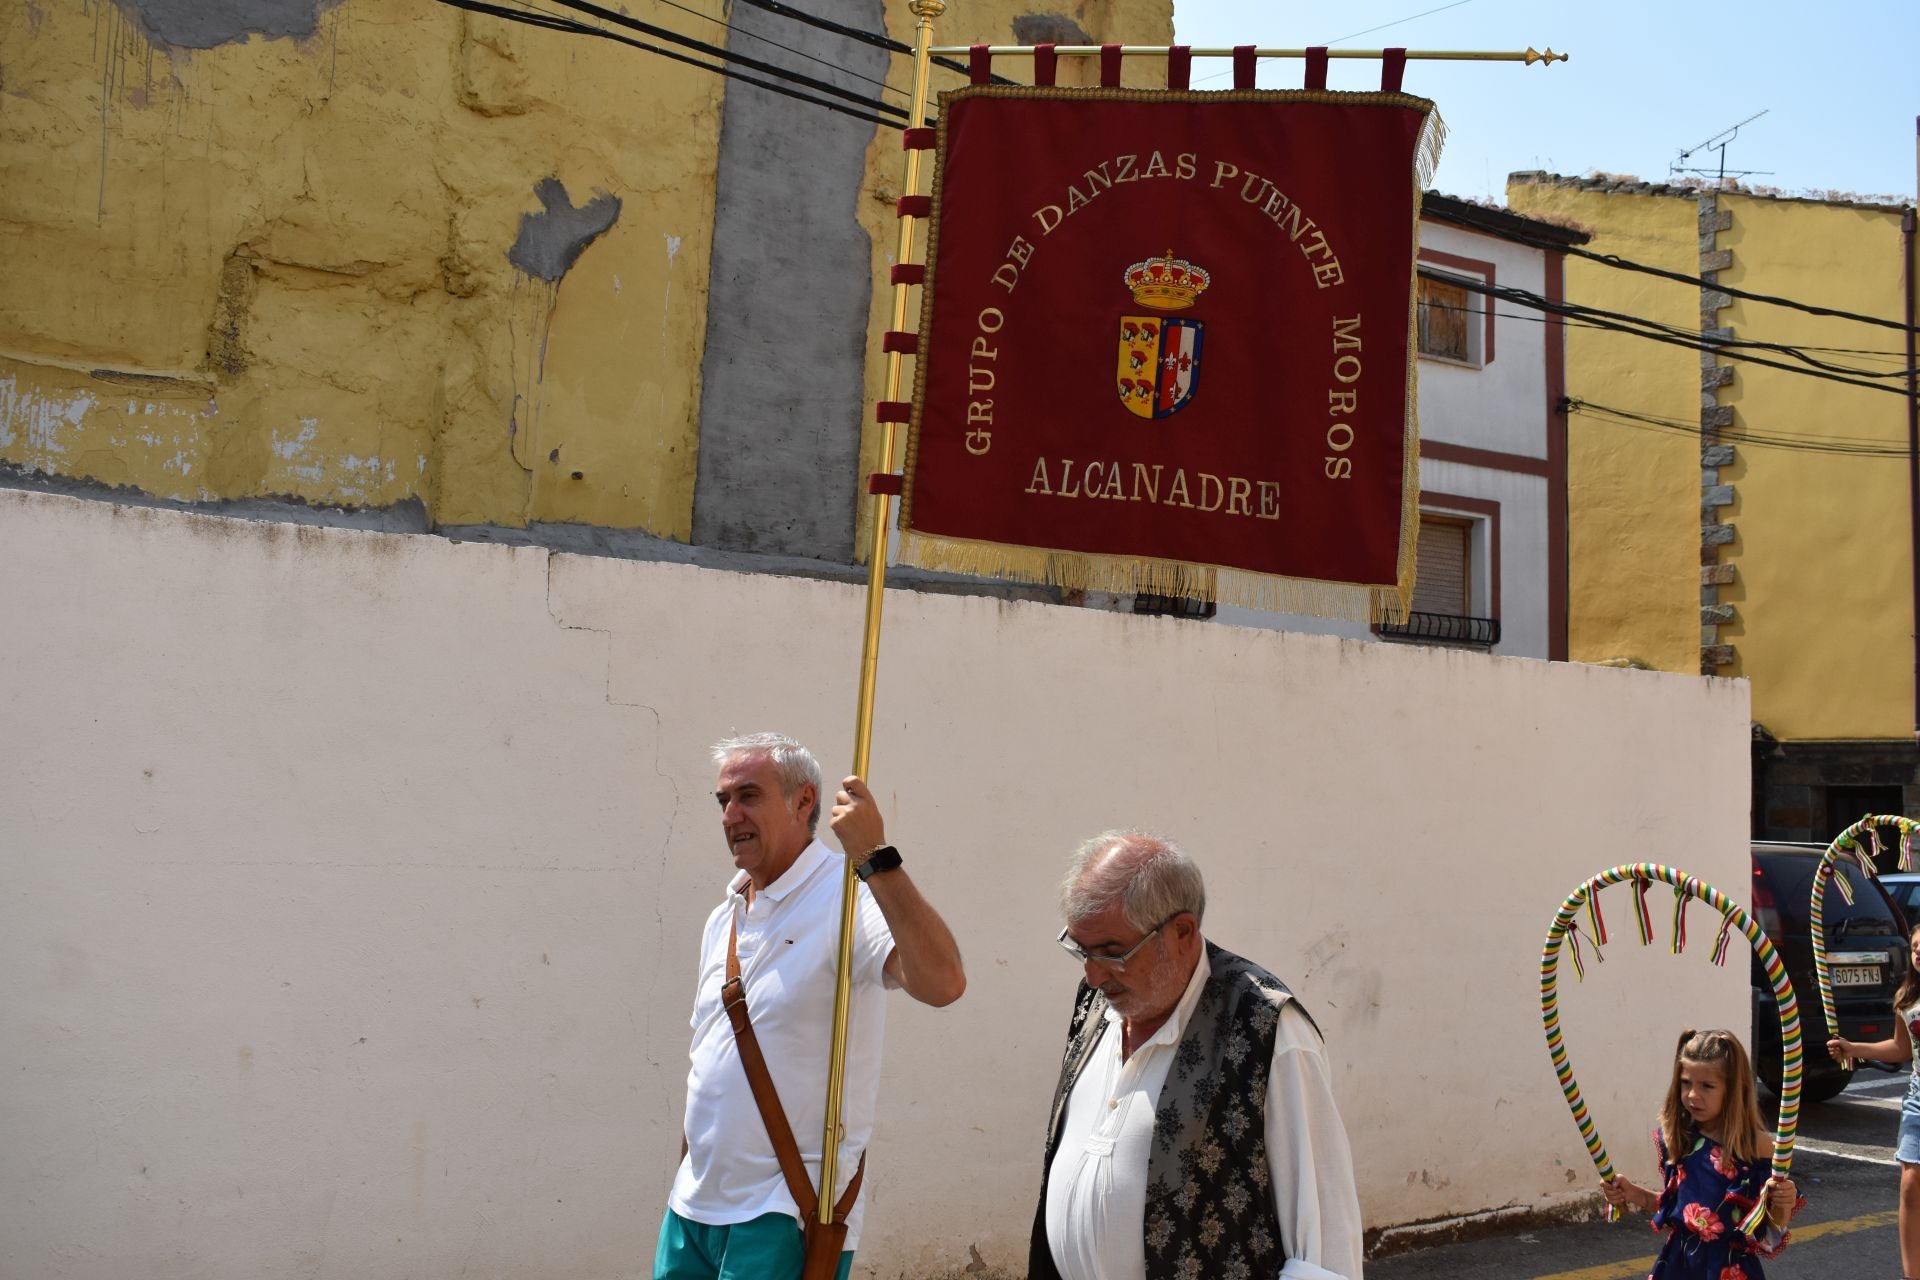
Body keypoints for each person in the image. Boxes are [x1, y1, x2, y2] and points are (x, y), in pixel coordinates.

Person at [655, 733, 966, 1280]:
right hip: (693, 1207)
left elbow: (942, 983)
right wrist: (687, 1174)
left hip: (785, 1212)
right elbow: (709, 1058)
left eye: (748, 796)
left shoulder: (850, 897)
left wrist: (876, 858)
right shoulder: (722, 918)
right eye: (722, 800)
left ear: (804, 802)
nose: (730, 815)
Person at [1029, 829, 1365, 1280]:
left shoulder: (1267, 1029)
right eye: (1080, 951)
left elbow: (1324, 1247)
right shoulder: (1098, 1006)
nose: (1092, 977)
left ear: (1182, 931)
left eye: (1112, 952)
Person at [1600, 1028, 1802, 1279]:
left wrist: (1784, 1201)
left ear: (1733, 1090)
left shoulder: (1753, 1145)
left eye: (1707, 1086)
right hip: (1678, 1266)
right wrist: (1631, 1192)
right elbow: (1678, 1211)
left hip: (1727, 1271)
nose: (1693, 1095)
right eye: (1686, 1083)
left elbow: (1770, 1228)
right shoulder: (1681, 1136)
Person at [1828, 919, 1920, 1280]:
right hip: (1918, 1101)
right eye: (1914, 947)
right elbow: (1900, 1047)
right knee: (1910, 1185)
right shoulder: (1907, 1000)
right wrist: (1854, 1049)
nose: (1919, 953)